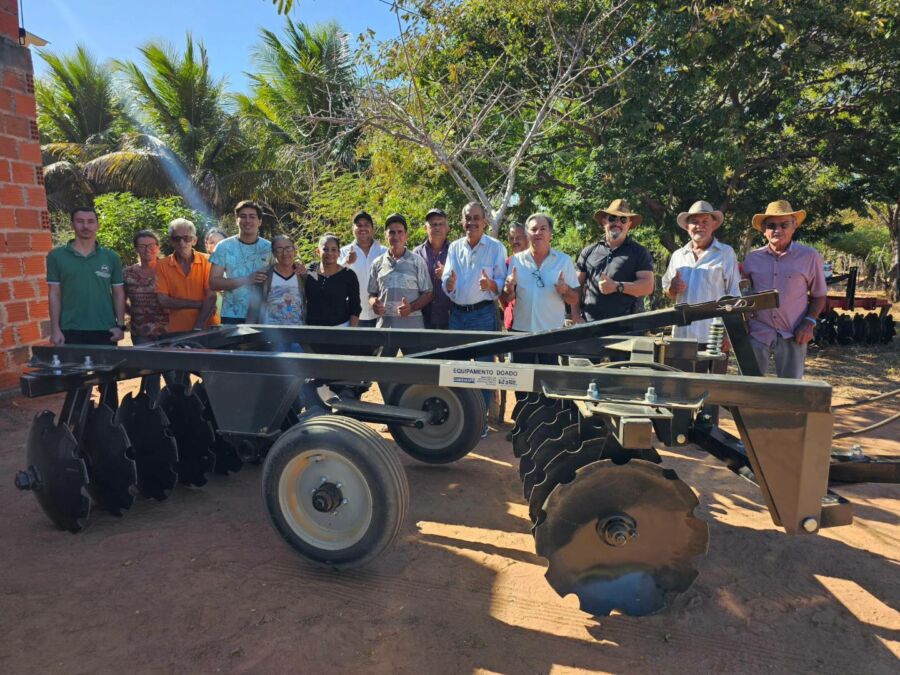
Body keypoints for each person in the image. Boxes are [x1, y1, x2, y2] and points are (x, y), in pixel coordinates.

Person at [442, 202, 508, 437]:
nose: (472, 222)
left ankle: (480, 423)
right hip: (457, 315)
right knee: (455, 369)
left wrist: (490, 284)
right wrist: (448, 284)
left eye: (476, 218)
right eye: (467, 218)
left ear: (485, 221)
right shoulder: (455, 248)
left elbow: (501, 283)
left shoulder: (495, 247)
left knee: (484, 370)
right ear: (461, 221)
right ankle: (460, 419)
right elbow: (447, 281)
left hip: (483, 314)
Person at [742, 200, 827, 379]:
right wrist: (745, 318)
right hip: (758, 332)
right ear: (764, 230)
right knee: (750, 385)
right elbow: (744, 291)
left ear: (794, 227)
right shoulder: (752, 258)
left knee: (791, 389)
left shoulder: (809, 256)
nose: (777, 230)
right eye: (771, 225)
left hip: (794, 332)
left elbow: (819, 295)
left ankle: (790, 409)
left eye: (784, 224)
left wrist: (809, 322)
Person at [661, 200, 740, 361]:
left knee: (712, 384)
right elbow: (667, 291)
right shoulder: (678, 255)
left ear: (713, 225)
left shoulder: (726, 253)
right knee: (681, 384)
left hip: (713, 336)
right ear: (687, 227)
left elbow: (734, 294)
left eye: (705, 222)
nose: (700, 226)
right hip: (682, 336)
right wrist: (672, 288)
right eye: (695, 222)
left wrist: (729, 333)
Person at [499, 214, 581, 364]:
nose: (538, 233)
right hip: (521, 331)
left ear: (550, 233)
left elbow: (574, 299)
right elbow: (508, 298)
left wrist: (565, 290)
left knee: (549, 383)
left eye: (543, 228)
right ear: (527, 234)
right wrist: (508, 289)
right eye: (534, 229)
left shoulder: (564, 260)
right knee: (522, 383)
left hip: (552, 333)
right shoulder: (516, 260)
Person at [47, 206, 126, 346]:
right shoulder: (56, 256)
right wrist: (55, 329)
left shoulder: (111, 257)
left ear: (98, 225)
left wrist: (120, 326)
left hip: (105, 327)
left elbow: (118, 293)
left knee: (107, 368)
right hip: (69, 329)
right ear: (72, 225)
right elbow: (54, 294)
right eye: (80, 221)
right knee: (73, 369)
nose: (85, 226)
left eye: (90, 221)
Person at [577, 198, 654, 322]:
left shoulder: (639, 252)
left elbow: (648, 286)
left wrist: (617, 286)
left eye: (623, 219)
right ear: (604, 221)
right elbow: (577, 287)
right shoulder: (588, 251)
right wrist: (575, 315)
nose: (617, 223)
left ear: (629, 225)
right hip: (590, 328)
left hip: (628, 329)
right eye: (612, 218)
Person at [209, 200, 271, 324]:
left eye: (252, 217)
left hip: (264, 315)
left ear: (260, 221)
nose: (247, 221)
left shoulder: (269, 248)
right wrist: (248, 279)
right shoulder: (223, 247)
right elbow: (214, 283)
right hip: (232, 315)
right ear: (236, 220)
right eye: (242, 216)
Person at [369, 214, 433, 330]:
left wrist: (411, 308)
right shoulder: (376, 263)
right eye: (392, 232)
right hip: (385, 329)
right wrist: (374, 303)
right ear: (385, 235)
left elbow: (428, 293)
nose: (396, 236)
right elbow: (371, 294)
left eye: (400, 232)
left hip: (413, 329)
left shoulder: (417, 261)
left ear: (406, 235)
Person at [155, 219, 219, 333]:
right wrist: (198, 304)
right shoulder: (162, 265)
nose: (182, 243)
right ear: (171, 241)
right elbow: (163, 300)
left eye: (187, 238)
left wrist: (197, 327)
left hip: (208, 328)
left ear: (194, 240)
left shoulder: (208, 261)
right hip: (176, 329)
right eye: (177, 238)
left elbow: (211, 297)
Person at [246, 234, 306, 327]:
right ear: (273, 253)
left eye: (288, 248)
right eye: (279, 249)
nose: (285, 253)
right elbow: (253, 308)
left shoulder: (302, 275)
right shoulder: (263, 276)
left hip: (297, 334)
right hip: (271, 335)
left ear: (295, 250)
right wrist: (248, 332)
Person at [339, 211, 386, 328]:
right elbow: (333, 278)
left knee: (379, 347)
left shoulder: (384, 252)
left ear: (373, 229)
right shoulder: (343, 252)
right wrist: (346, 262)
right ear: (352, 229)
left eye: (366, 225)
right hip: (353, 315)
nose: (363, 228)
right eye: (359, 225)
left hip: (380, 314)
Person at [306, 234, 361, 327]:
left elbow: (355, 307)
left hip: (340, 328)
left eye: (334, 249)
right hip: (312, 330)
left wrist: (351, 333)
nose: (330, 253)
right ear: (318, 251)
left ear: (339, 253)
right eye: (325, 249)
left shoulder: (348, 275)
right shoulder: (311, 271)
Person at [123, 229, 168, 344]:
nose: (147, 249)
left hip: (169, 331)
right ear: (136, 249)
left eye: (151, 245)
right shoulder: (127, 273)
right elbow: (119, 300)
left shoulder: (169, 270)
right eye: (142, 246)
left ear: (158, 247)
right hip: (141, 333)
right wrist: (134, 312)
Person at [413, 208, 451, 330]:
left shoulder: (456, 251)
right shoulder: (416, 253)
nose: (437, 228)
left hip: (450, 317)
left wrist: (447, 273)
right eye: (433, 224)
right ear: (426, 228)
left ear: (447, 228)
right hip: (423, 318)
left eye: (441, 224)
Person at [502, 222, 528, 330]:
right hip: (513, 323)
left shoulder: (537, 262)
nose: (515, 241)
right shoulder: (506, 263)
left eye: (518, 238)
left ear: (527, 238)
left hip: (534, 323)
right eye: (511, 238)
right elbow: (502, 296)